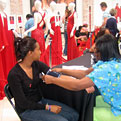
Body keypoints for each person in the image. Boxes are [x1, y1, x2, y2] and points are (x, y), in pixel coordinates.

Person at [43, 34, 121, 120]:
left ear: (104, 51)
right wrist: (62, 70)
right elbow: (84, 73)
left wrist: (53, 80)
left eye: (97, 51)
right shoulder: (113, 62)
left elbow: (77, 85)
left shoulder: (106, 68)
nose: (94, 53)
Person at [7, 36, 79, 121]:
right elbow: (23, 103)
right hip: (27, 110)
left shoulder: (37, 65)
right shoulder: (14, 75)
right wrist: (47, 107)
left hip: (40, 102)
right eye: (38, 49)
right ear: (30, 53)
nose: (40, 52)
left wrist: (78, 82)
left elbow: (56, 75)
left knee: (74, 115)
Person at [0, 0, 16, 100]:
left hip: (8, 40)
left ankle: (8, 78)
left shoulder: (5, 14)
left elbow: (9, 27)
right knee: (3, 62)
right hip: (3, 41)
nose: (4, 5)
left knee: (8, 60)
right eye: (2, 3)